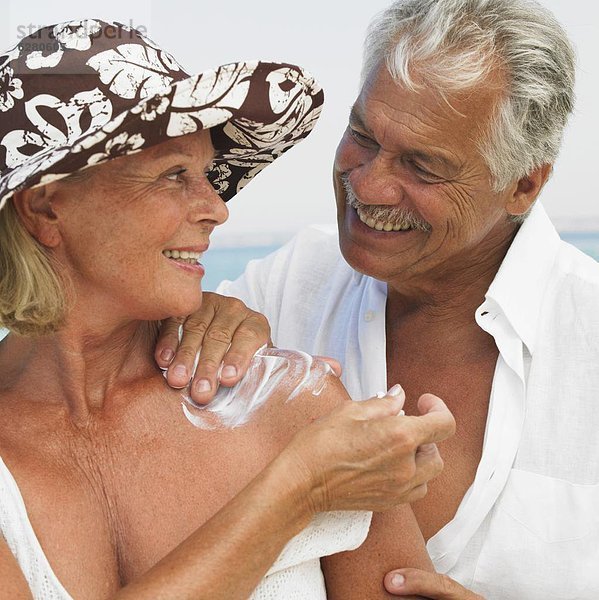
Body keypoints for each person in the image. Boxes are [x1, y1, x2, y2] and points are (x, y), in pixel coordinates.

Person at [0, 20, 456, 600]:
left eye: (207, 174)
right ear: (45, 208)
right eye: (174, 175)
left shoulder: (294, 403)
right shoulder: (313, 453)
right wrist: (298, 488)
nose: (216, 209)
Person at [158, 0, 599, 598]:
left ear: (524, 183)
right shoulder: (284, 289)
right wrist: (197, 319)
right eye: (362, 136)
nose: (366, 184)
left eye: (423, 166)